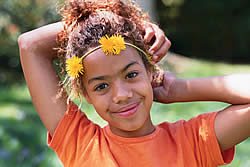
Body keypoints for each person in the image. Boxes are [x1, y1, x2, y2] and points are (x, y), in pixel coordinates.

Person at [18, 0, 250, 166]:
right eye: (101, 86)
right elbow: (30, 45)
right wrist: (124, 22)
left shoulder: (192, 142)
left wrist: (180, 89)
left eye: (130, 75)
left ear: (150, 71)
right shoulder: (81, 143)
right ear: (86, 94)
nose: (122, 95)